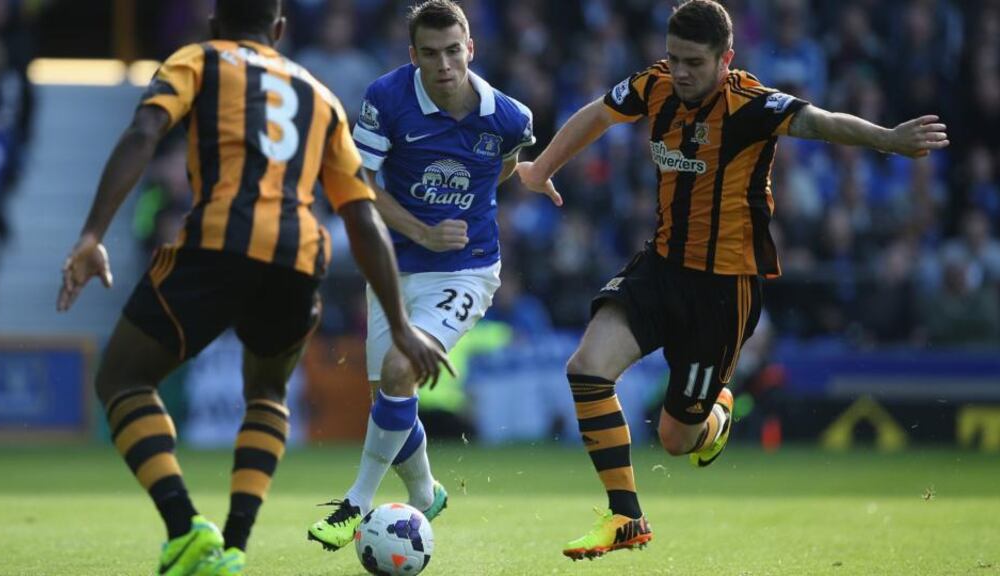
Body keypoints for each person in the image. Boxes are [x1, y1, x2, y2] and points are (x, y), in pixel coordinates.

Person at [516, 0, 949, 561]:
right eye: (674, 58)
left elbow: (820, 123)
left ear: (727, 60)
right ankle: (627, 517)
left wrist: (888, 140)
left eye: (695, 62)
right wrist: (543, 167)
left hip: (723, 291)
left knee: (677, 441)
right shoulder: (656, 85)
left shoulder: (750, 104)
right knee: (586, 369)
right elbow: (598, 113)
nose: (681, 72)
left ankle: (718, 409)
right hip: (663, 265)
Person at [55, 1, 451, 574]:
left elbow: (145, 129)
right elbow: (362, 217)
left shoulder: (198, 58)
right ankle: (235, 546)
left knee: (123, 377)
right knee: (266, 393)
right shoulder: (318, 96)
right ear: (281, 31)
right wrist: (400, 323)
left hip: (219, 241)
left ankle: (184, 526)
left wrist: (93, 233)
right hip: (298, 257)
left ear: (216, 25)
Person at [307, 0, 556, 552]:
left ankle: (356, 501)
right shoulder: (387, 98)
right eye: (431, 54)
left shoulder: (509, 116)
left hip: (467, 270)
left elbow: (507, 164)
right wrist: (421, 231)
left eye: (453, 51)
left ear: (471, 48)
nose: (444, 64)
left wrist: (506, 193)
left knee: (400, 369)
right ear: (413, 55)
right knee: (389, 401)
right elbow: (364, 185)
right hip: (393, 267)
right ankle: (425, 494)